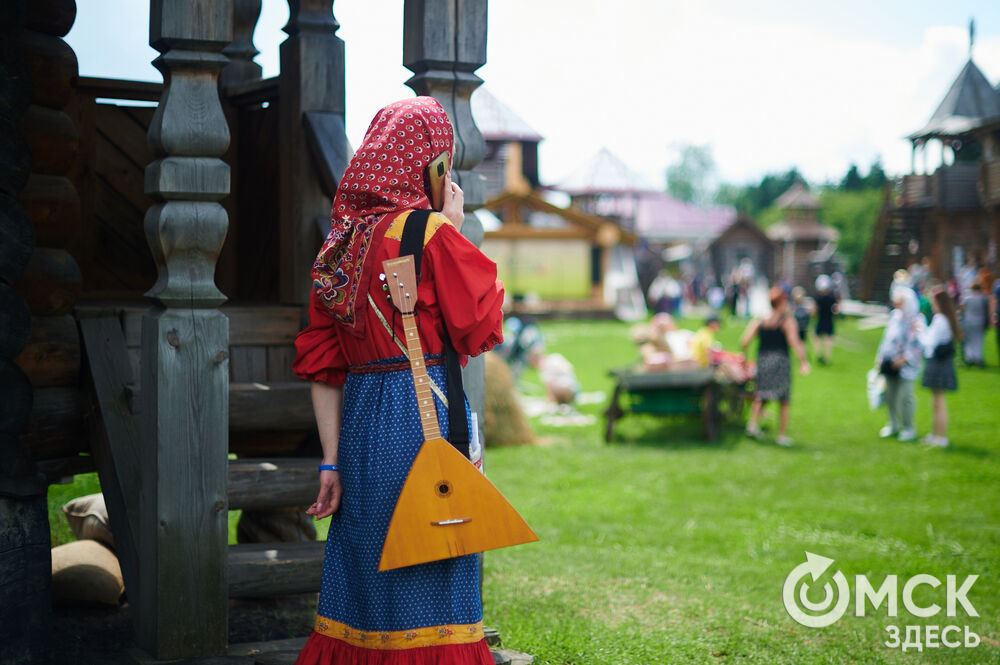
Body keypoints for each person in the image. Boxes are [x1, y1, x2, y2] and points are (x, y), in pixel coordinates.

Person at [291, 97, 503, 665]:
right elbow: (478, 325)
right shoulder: (430, 232)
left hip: (362, 427)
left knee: (366, 581)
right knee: (434, 574)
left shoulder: (339, 247)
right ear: (430, 163)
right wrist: (453, 232)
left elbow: (322, 364)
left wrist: (331, 462)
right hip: (422, 417)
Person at [741, 287, 810, 446]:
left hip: (763, 360)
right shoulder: (786, 320)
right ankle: (781, 436)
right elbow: (794, 342)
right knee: (783, 399)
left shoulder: (760, 320)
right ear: (782, 302)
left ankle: (752, 425)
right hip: (780, 361)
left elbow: (744, 341)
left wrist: (745, 358)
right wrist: (803, 361)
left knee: (761, 394)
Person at [874, 283, 923, 443]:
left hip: (907, 367)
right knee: (890, 395)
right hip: (890, 364)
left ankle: (909, 427)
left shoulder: (917, 319)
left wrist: (904, 359)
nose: (897, 305)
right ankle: (893, 424)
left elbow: (918, 344)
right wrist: (880, 358)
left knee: (905, 397)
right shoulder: (895, 317)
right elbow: (887, 340)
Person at [918, 287, 961, 447]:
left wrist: (920, 329)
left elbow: (929, 342)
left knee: (939, 401)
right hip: (940, 362)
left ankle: (940, 436)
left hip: (938, 362)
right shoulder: (944, 319)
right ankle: (935, 434)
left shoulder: (940, 320)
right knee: (936, 401)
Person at [959, 280, 989, 366]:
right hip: (980, 321)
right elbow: (985, 311)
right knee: (979, 340)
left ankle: (970, 357)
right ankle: (978, 357)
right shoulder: (983, 298)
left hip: (968, 321)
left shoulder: (967, 298)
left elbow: (962, 309)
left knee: (969, 340)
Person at [813, 274, 838, 364]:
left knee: (817, 337)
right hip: (829, 320)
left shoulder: (818, 298)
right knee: (828, 339)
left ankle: (819, 354)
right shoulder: (832, 298)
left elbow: (815, 310)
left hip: (820, 320)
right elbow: (836, 310)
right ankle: (827, 357)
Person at [791, 286, 812, 350]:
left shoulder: (805, 304)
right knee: (796, 341)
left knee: (802, 341)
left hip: (803, 325)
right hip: (797, 325)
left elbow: (810, 313)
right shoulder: (793, 305)